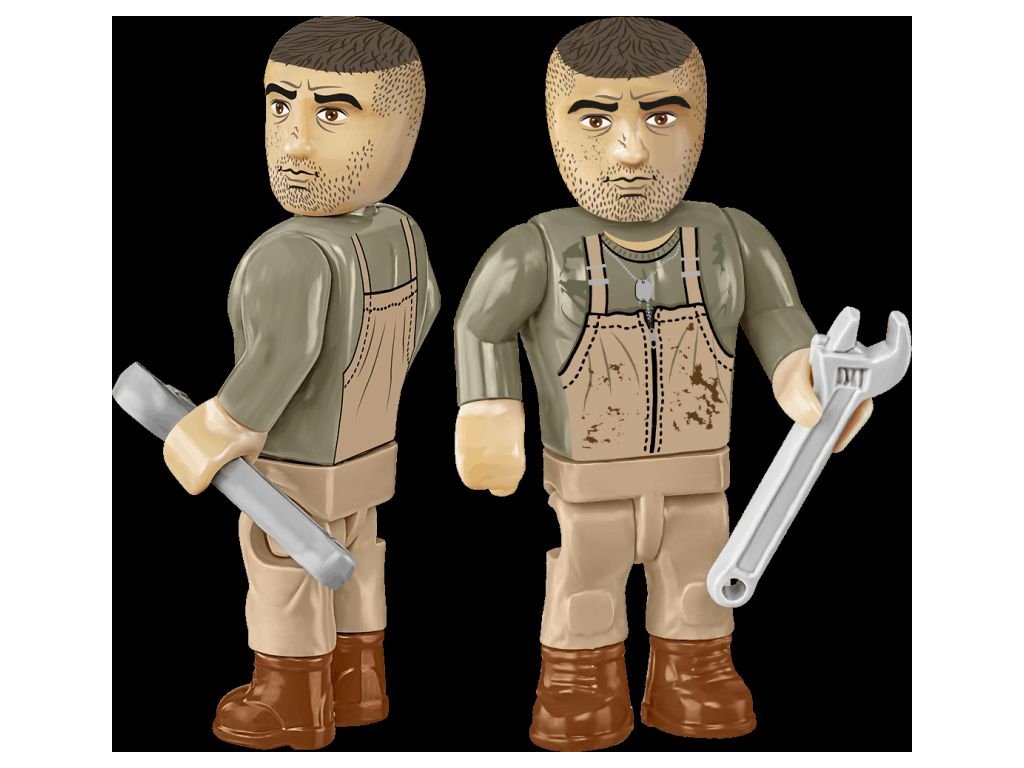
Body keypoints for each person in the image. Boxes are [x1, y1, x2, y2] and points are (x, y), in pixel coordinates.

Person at [454, 17, 871, 751]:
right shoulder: (534, 248)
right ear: (554, 126)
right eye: (596, 120)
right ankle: (578, 678)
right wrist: (489, 408)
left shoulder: (733, 238)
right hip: (591, 483)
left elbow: (778, 316)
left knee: (700, 581)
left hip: (698, 477)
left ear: (700, 120)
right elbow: (481, 326)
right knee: (586, 580)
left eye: (660, 117)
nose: (631, 149)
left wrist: (803, 376)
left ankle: (695, 671)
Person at [162, 16, 439, 750]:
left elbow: (279, 359)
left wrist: (218, 427)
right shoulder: (402, 234)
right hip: (369, 455)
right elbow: (421, 320)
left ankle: (291, 702)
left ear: (406, 130)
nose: (293, 141)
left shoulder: (291, 253)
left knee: (284, 565)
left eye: (332, 114)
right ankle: (359, 683)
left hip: (293, 467)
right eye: (280, 106)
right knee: (356, 558)